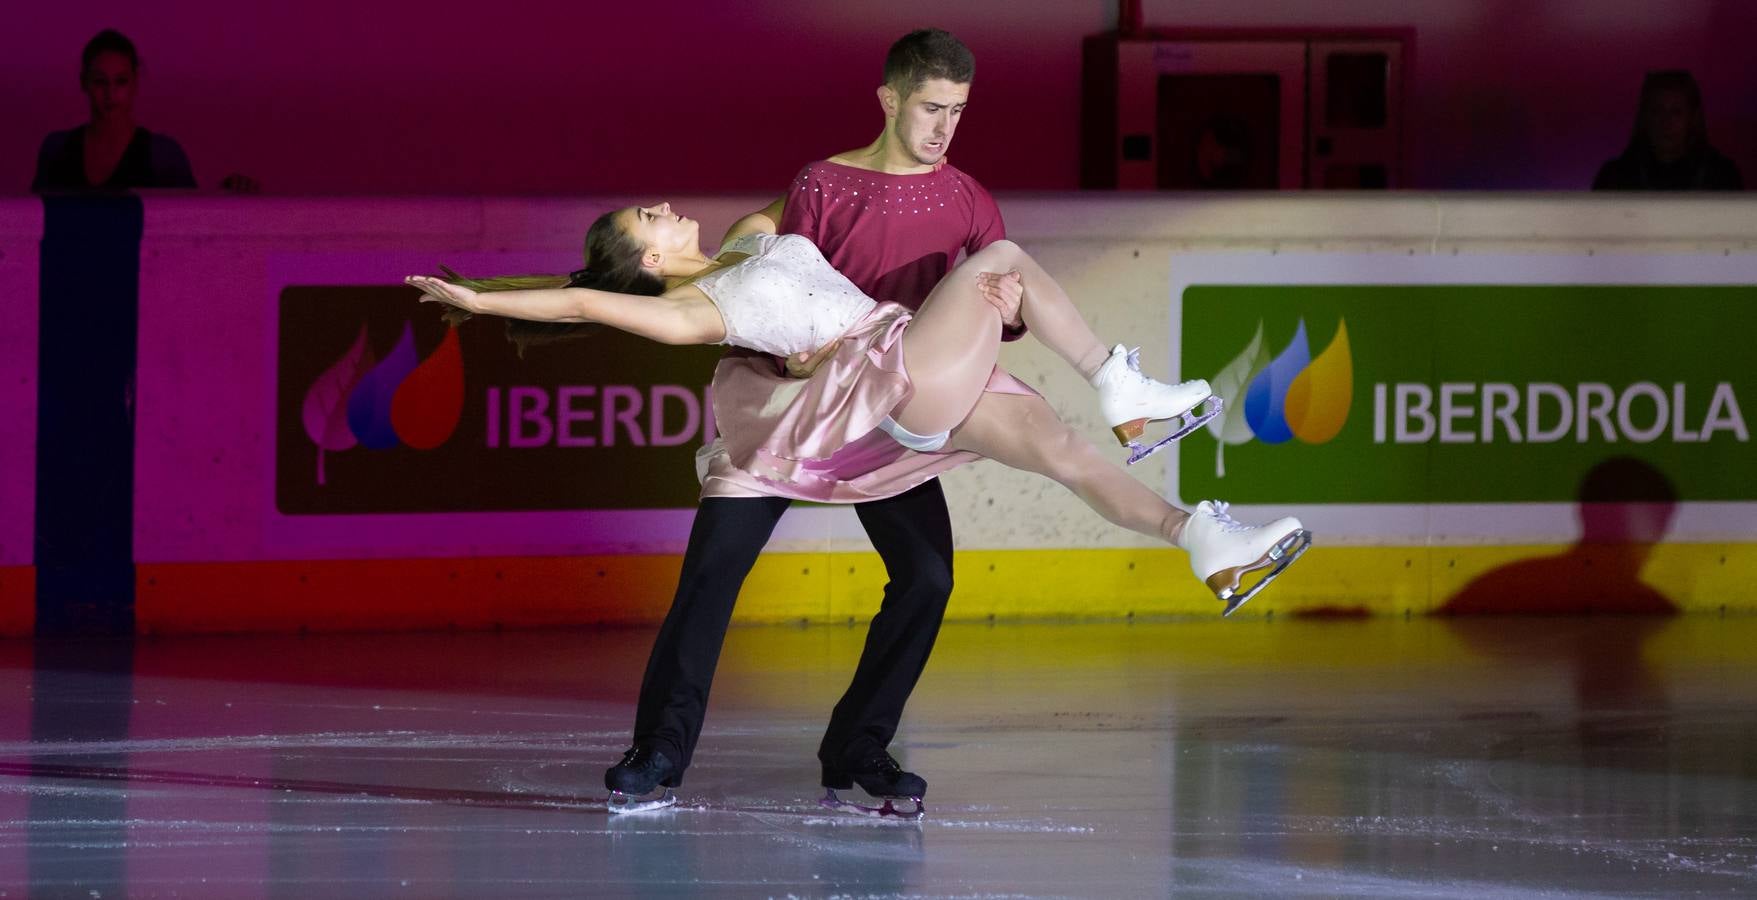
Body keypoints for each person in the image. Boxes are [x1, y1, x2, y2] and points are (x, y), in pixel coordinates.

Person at [404, 198, 1312, 774]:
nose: (667, 205)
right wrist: (481, 301)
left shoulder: (749, 238)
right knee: (1002, 257)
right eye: (650, 216)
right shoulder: (687, 309)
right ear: (642, 259)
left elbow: (825, 190)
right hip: (896, 374)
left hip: (918, 376)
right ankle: (1123, 386)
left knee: (1065, 455)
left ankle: (1201, 540)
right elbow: (580, 302)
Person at [31, 29, 259, 193]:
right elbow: (32, 222)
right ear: (84, 83)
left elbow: (190, 222)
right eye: (100, 82)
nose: (110, 93)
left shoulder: (163, 155)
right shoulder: (56, 149)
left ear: (135, 82)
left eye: (121, 81)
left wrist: (228, 196)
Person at [1592, 70, 1743, 191]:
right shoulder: (1614, 178)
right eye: (1657, 111)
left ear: (1693, 118)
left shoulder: (1721, 177)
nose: (1665, 122)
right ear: (1644, 116)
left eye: (1676, 112)